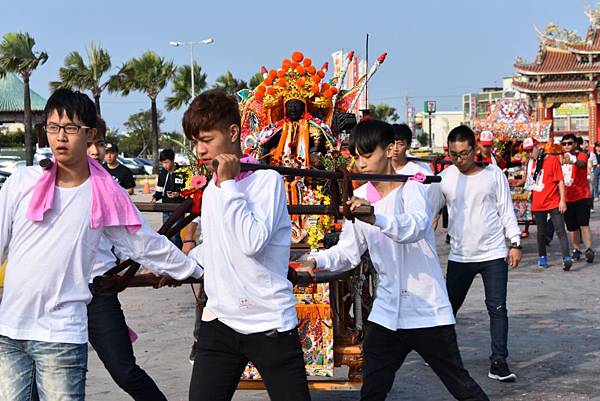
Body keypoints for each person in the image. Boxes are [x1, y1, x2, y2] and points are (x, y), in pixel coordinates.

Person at [0, 88, 203, 401]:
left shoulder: (105, 193)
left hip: (61, 333)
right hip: (11, 332)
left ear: (89, 134)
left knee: (124, 370)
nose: (60, 137)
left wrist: (194, 269)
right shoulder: (21, 182)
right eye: (53, 128)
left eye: (70, 129)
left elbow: (144, 244)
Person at [298, 119, 489, 401]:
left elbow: (413, 227)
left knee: (461, 386)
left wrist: (374, 216)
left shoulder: (411, 187)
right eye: (357, 157)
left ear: (389, 150)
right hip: (387, 313)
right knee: (373, 391)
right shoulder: (360, 196)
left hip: (427, 311)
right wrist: (316, 261)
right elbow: (347, 252)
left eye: (367, 155)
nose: (361, 164)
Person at [183, 90, 310, 401]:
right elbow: (213, 246)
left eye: (206, 139)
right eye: (195, 141)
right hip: (221, 321)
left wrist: (228, 185)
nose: (200, 149)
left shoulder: (266, 182)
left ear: (233, 132)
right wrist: (171, 264)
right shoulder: (214, 189)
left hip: (269, 322)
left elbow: (251, 242)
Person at [84, 117, 173, 400]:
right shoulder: (40, 186)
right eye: (89, 143)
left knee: (124, 371)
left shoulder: (110, 185)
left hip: (99, 293)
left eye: (98, 143)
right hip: (56, 297)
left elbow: (131, 239)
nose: (95, 151)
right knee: (56, 374)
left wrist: (160, 267)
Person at [430, 125, 522, 383]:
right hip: (460, 255)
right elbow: (426, 212)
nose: (459, 160)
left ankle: (499, 361)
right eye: (454, 154)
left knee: (498, 308)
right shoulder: (445, 178)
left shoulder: (493, 175)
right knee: (448, 309)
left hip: (493, 253)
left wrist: (515, 242)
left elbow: (506, 210)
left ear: (475, 149)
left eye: (464, 153)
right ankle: (441, 355)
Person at [525, 140, 572, 270]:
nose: (529, 154)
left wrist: (562, 200)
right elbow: (528, 181)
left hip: (553, 201)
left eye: (531, 150)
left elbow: (560, 181)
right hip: (538, 203)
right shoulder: (530, 164)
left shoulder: (552, 160)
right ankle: (542, 257)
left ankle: (566, 258)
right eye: (527, 151)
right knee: (541, 232)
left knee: (560, 229)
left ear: (538, 147)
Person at [560, 134, 594, 263]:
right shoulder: (560, 158)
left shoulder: (581, 155)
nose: (567, 146)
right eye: (564, 144)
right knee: (572, 227)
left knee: (584, 224)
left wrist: (572, 160)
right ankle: (576, 249)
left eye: (569, 143)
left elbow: (582, 163)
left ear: (575, 144)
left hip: (581, 196)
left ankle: (589, 249)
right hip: (567, 197)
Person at [151, 149, 187, 248]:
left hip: (178, 207)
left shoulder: (182, 172)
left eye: (166, 162)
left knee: (175, 234)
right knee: (166, 233)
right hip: (165, 207)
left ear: (173, 160)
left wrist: (178, 194)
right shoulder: (163, 172)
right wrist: (155, 197)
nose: (164, 165)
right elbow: (160, 189)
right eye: (162, 163)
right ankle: (170, 255)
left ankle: (178, 255)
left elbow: (188, 190)